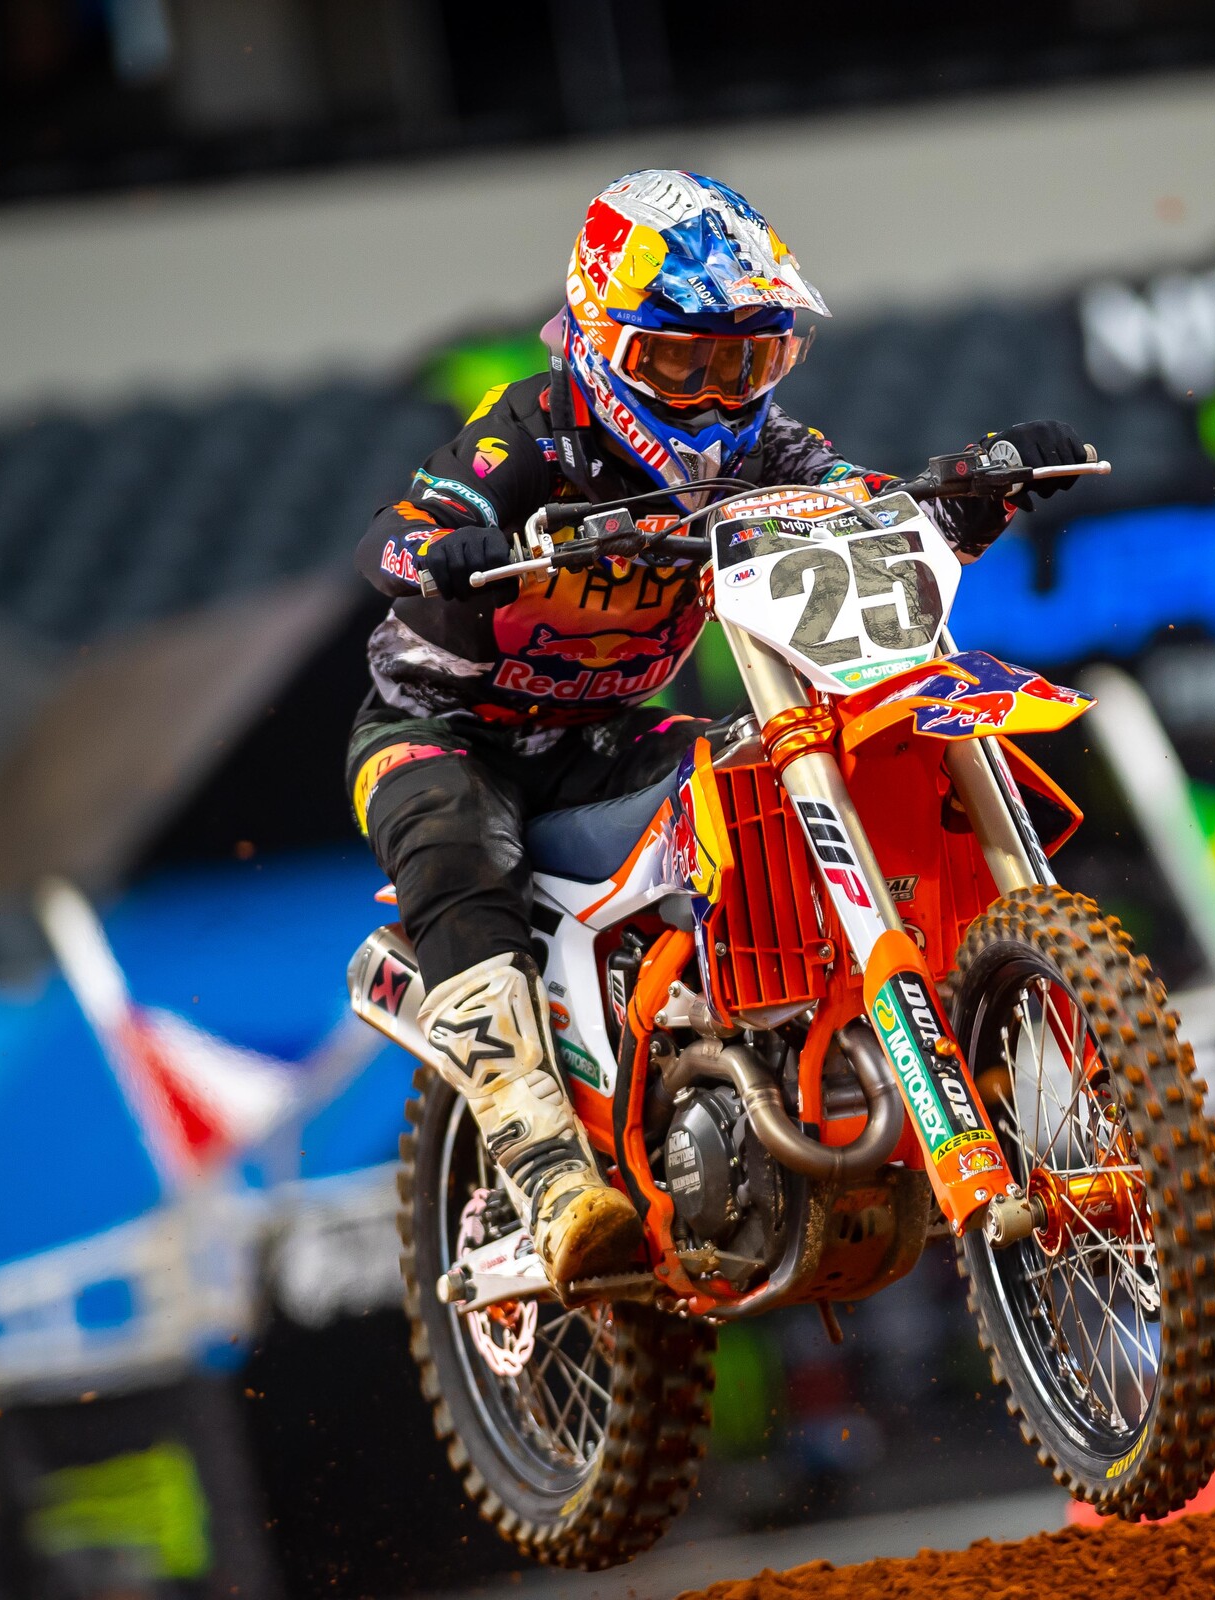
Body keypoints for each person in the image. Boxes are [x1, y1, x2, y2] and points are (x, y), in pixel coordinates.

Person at [348, 170, 1093, 1297]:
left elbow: (863, 504)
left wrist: (968, 496)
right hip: (442, 726)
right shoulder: (530, 435)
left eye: (742, 362)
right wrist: (443, 549)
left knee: (755, 777)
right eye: (680, 362)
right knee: (458, 851)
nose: (709, 396)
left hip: (600, 730)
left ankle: (749, 1044)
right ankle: (549, 1175)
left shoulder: (767, 450)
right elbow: (402, 532)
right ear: (602, 340)